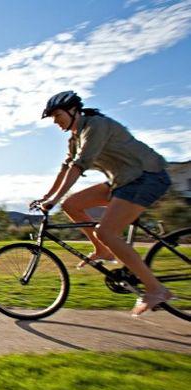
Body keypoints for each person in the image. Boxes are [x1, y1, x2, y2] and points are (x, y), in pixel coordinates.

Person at [33, 91, 172, 316]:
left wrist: (52, 200)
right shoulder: (74, 138)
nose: (56, 121)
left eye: (57, 115)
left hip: (146, 176)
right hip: (121, 181)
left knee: (106, 231)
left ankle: (156, 289)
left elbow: (79, 166)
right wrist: (47, 197)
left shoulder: (95, 126)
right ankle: (102, 251)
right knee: (71, 205)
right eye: (53, 118)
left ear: (73, 111)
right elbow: (66, 169)